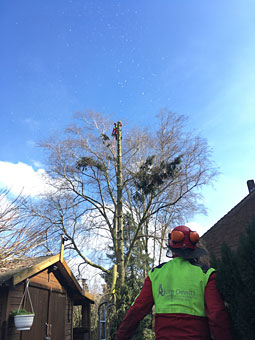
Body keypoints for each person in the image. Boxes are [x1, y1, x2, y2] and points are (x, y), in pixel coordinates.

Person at [115, 225, 232, 340]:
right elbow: (216, 315)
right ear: (194, 248)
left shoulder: (156, 273)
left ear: (172, 248)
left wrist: (120, 337)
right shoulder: (206, 274)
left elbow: (137, 310)